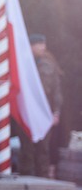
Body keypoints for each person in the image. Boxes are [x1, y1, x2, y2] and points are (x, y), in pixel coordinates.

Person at [19, 34, 63, 178]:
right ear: (31, 46)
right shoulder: (22, 64)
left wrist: (56, 112)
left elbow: (56, 90)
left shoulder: (49, 66)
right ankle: (27, 176)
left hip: (44, 111)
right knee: (27, 146)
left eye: (43, 44)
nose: (42, 47)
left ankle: (42, 177)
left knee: (43, 147)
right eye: (39, 44)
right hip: (27, 111)